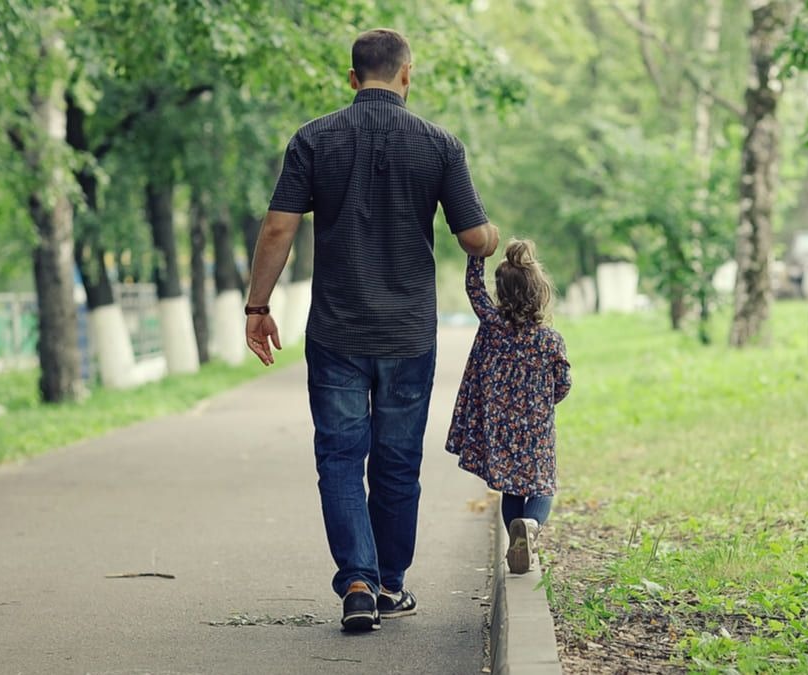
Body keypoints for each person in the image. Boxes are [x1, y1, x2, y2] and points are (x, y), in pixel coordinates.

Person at [243, 28, 500, 632]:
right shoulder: (440, 145)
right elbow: (472, 236)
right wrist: (490, 238)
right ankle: (389, 583)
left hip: (336, 329)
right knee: (396, 460)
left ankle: (356, 580)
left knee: (338, 456)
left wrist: (258, 307)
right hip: (409, 332)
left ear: (353, 78)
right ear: (406, 75)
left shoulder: (312, 139)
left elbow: (279, 228)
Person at [446, 239, 571, 575]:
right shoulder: (549, 339)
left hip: (500, 426)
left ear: (501, 293)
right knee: (542, 486)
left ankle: (517, 534)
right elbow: (564, 383)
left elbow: (474, 287)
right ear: (540, 292)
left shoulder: (493, 326)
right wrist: (545, 401)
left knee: (511, 487)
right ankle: (530, 527)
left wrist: (477, 248)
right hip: (536, 428)